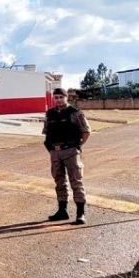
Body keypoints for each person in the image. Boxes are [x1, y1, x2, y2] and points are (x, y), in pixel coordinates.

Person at [43, 88, 91, 224]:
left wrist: (78, 145)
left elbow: (86, 131)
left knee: (76, 181)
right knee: (59, 181)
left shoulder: (75, 113)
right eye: (56, 97)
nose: (58, 100)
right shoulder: (50, 114)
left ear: (66, 97)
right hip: (55, 152)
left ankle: (80, 214)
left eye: (61, 97)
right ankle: (62, 211)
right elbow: (46, 132)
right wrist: (52, 150)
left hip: (70, 151)